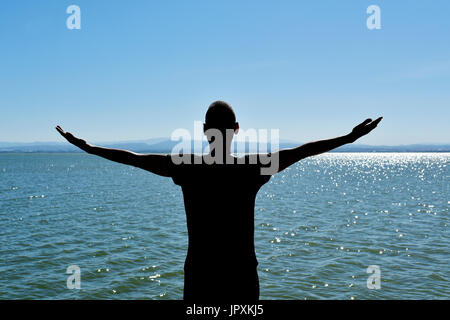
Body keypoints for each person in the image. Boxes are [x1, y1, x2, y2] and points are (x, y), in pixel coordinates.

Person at [56, 100, 382, 301]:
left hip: (200, 277)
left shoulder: (187, 166)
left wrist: (89, 148)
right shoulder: (253, 167)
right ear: (237, 129)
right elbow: (303, 150)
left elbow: (134, 158)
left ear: (205, 131)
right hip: (241, 277)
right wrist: (348, 138)